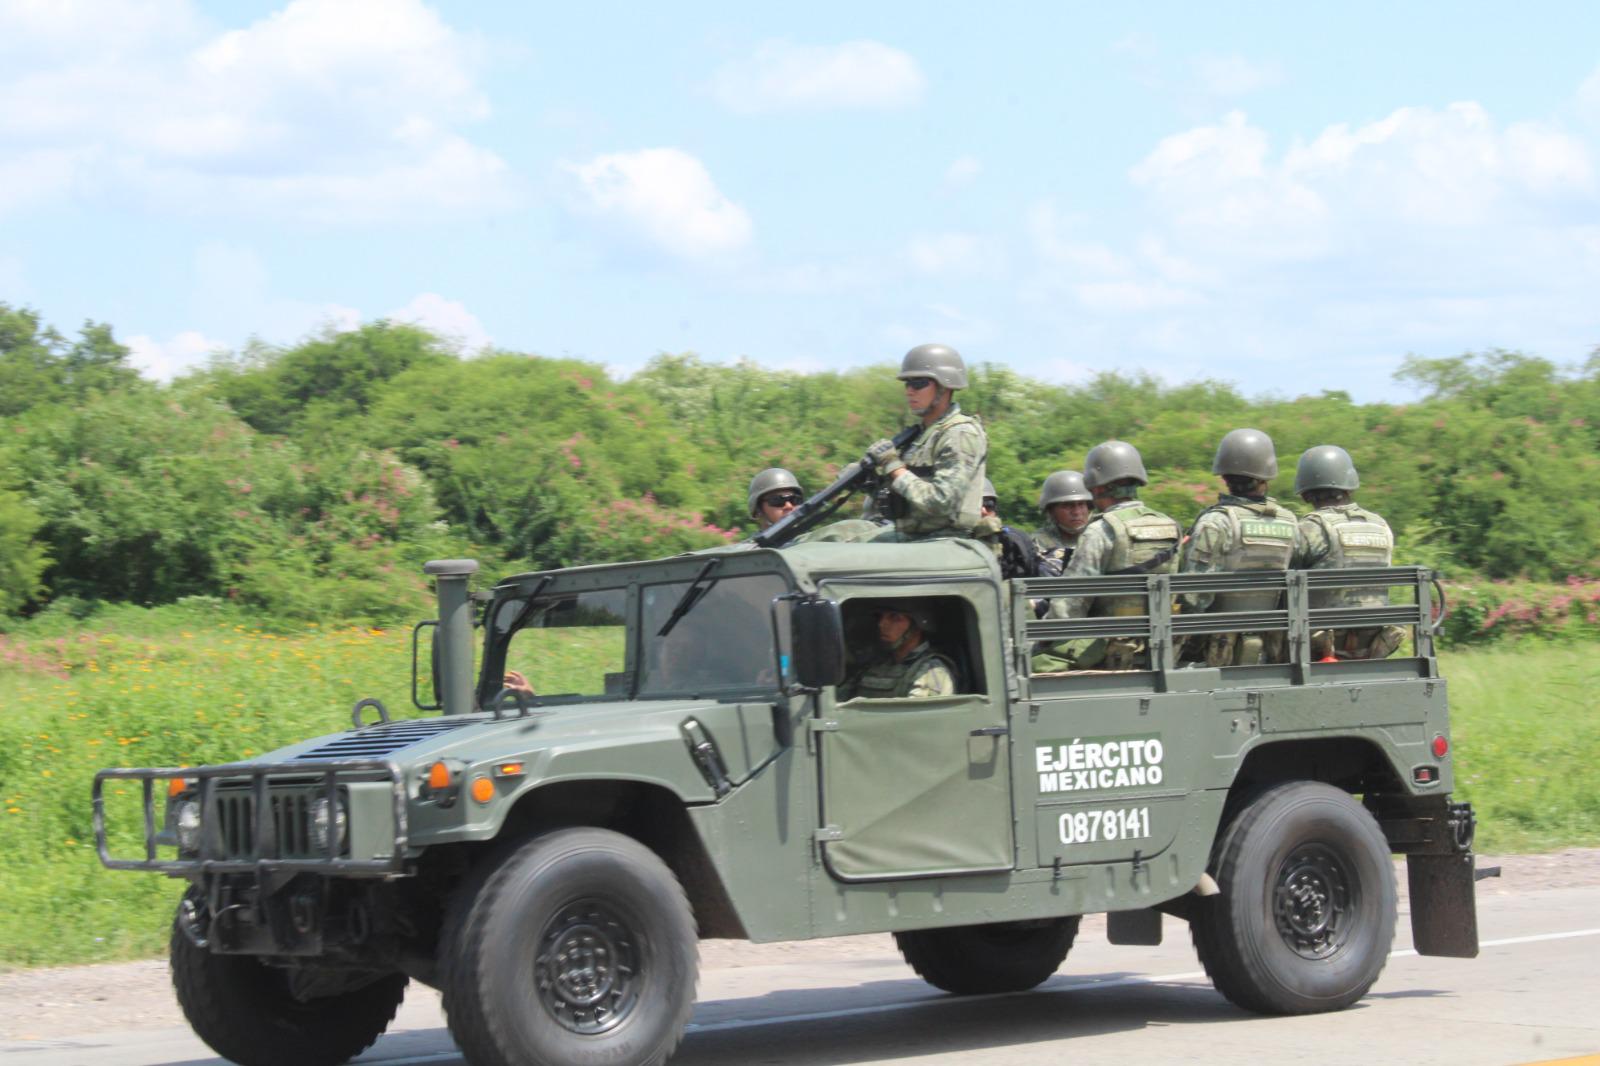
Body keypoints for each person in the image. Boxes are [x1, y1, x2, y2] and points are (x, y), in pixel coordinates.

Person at [1033, 441, 1181, 672]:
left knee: (1031, 664)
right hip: (1161, 645)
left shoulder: (1100, 530)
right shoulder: (1170, 525)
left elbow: (1070, 605)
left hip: (1106, 648)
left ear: (1097, 488)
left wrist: (1042, 638)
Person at [1179, 428, 1304, 666]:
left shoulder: (1216, 522)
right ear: (1267, 477)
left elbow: (1194, 597)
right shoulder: (1290, 522)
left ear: (1224, 476)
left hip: (1216, 651)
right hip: (1270, 647)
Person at [862, 344, 988, 541]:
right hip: (913, 537)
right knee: (834, 537)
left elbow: (941, 501)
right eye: (907, 384)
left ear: (944, 386)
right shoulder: (922, 436)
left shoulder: (960, 434)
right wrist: (872, 483)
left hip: (946, 541)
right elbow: (905, 498)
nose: (909, 391)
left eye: (918, 383)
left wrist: (893, 467)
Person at [1294, 444, 1404, 661]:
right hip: (1373, 643)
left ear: (1306, 494)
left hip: (1319, 645)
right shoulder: (1381, 526)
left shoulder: (1310, 528)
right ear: (1349, 486)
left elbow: (1286, 583)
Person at [838, 601, 957, 700]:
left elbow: (920, 721)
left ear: (917, 626)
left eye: (895, 617)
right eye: (880, 617)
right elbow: (838, 701)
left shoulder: (931, 669)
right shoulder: (875, 664)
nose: (881, 624)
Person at [1032, 470, 1094, 576]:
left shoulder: (1099, 537)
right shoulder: (1037, 544)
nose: (1076, 512)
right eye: (1067, 506)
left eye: (1081, 504)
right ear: (1051, 511)